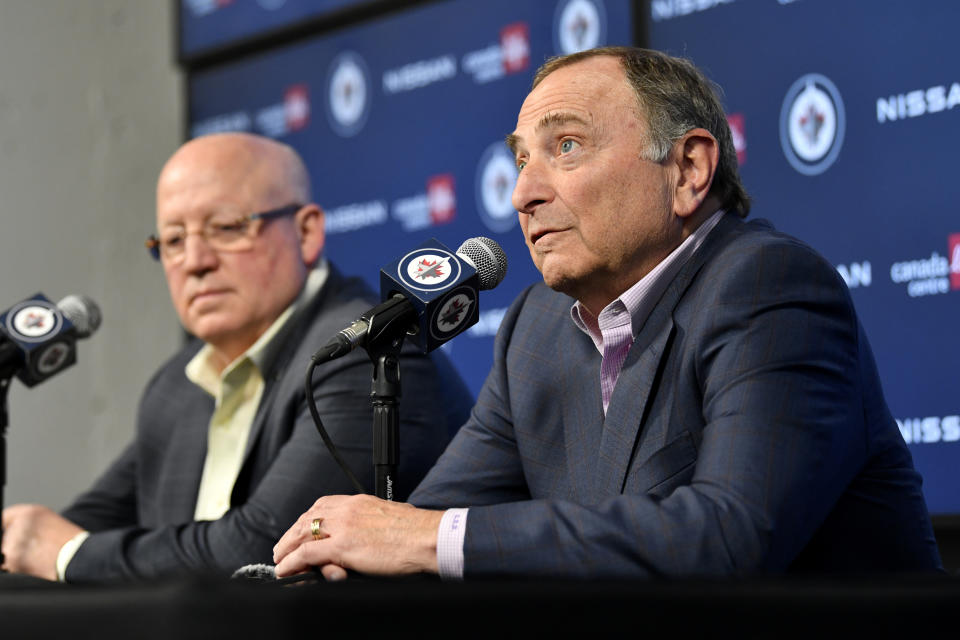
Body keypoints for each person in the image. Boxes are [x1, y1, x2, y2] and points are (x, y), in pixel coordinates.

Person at [272, 47, 942, 580]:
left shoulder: (768, 286)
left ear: (687, 170)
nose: (525, 194)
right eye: (521, 160)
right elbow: (425, 525)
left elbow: (731, 537)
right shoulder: (535, 329)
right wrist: (345, 559)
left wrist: (424, 538)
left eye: (566, 147)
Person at [1, 132, 473, 583]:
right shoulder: (177, 384)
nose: (195, 260)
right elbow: (87, 521)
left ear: (306, 233)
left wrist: (68, 556)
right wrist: (22, 541)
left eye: (225, 228)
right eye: (173, 240)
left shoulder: (363, 353)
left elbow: (266, 547)